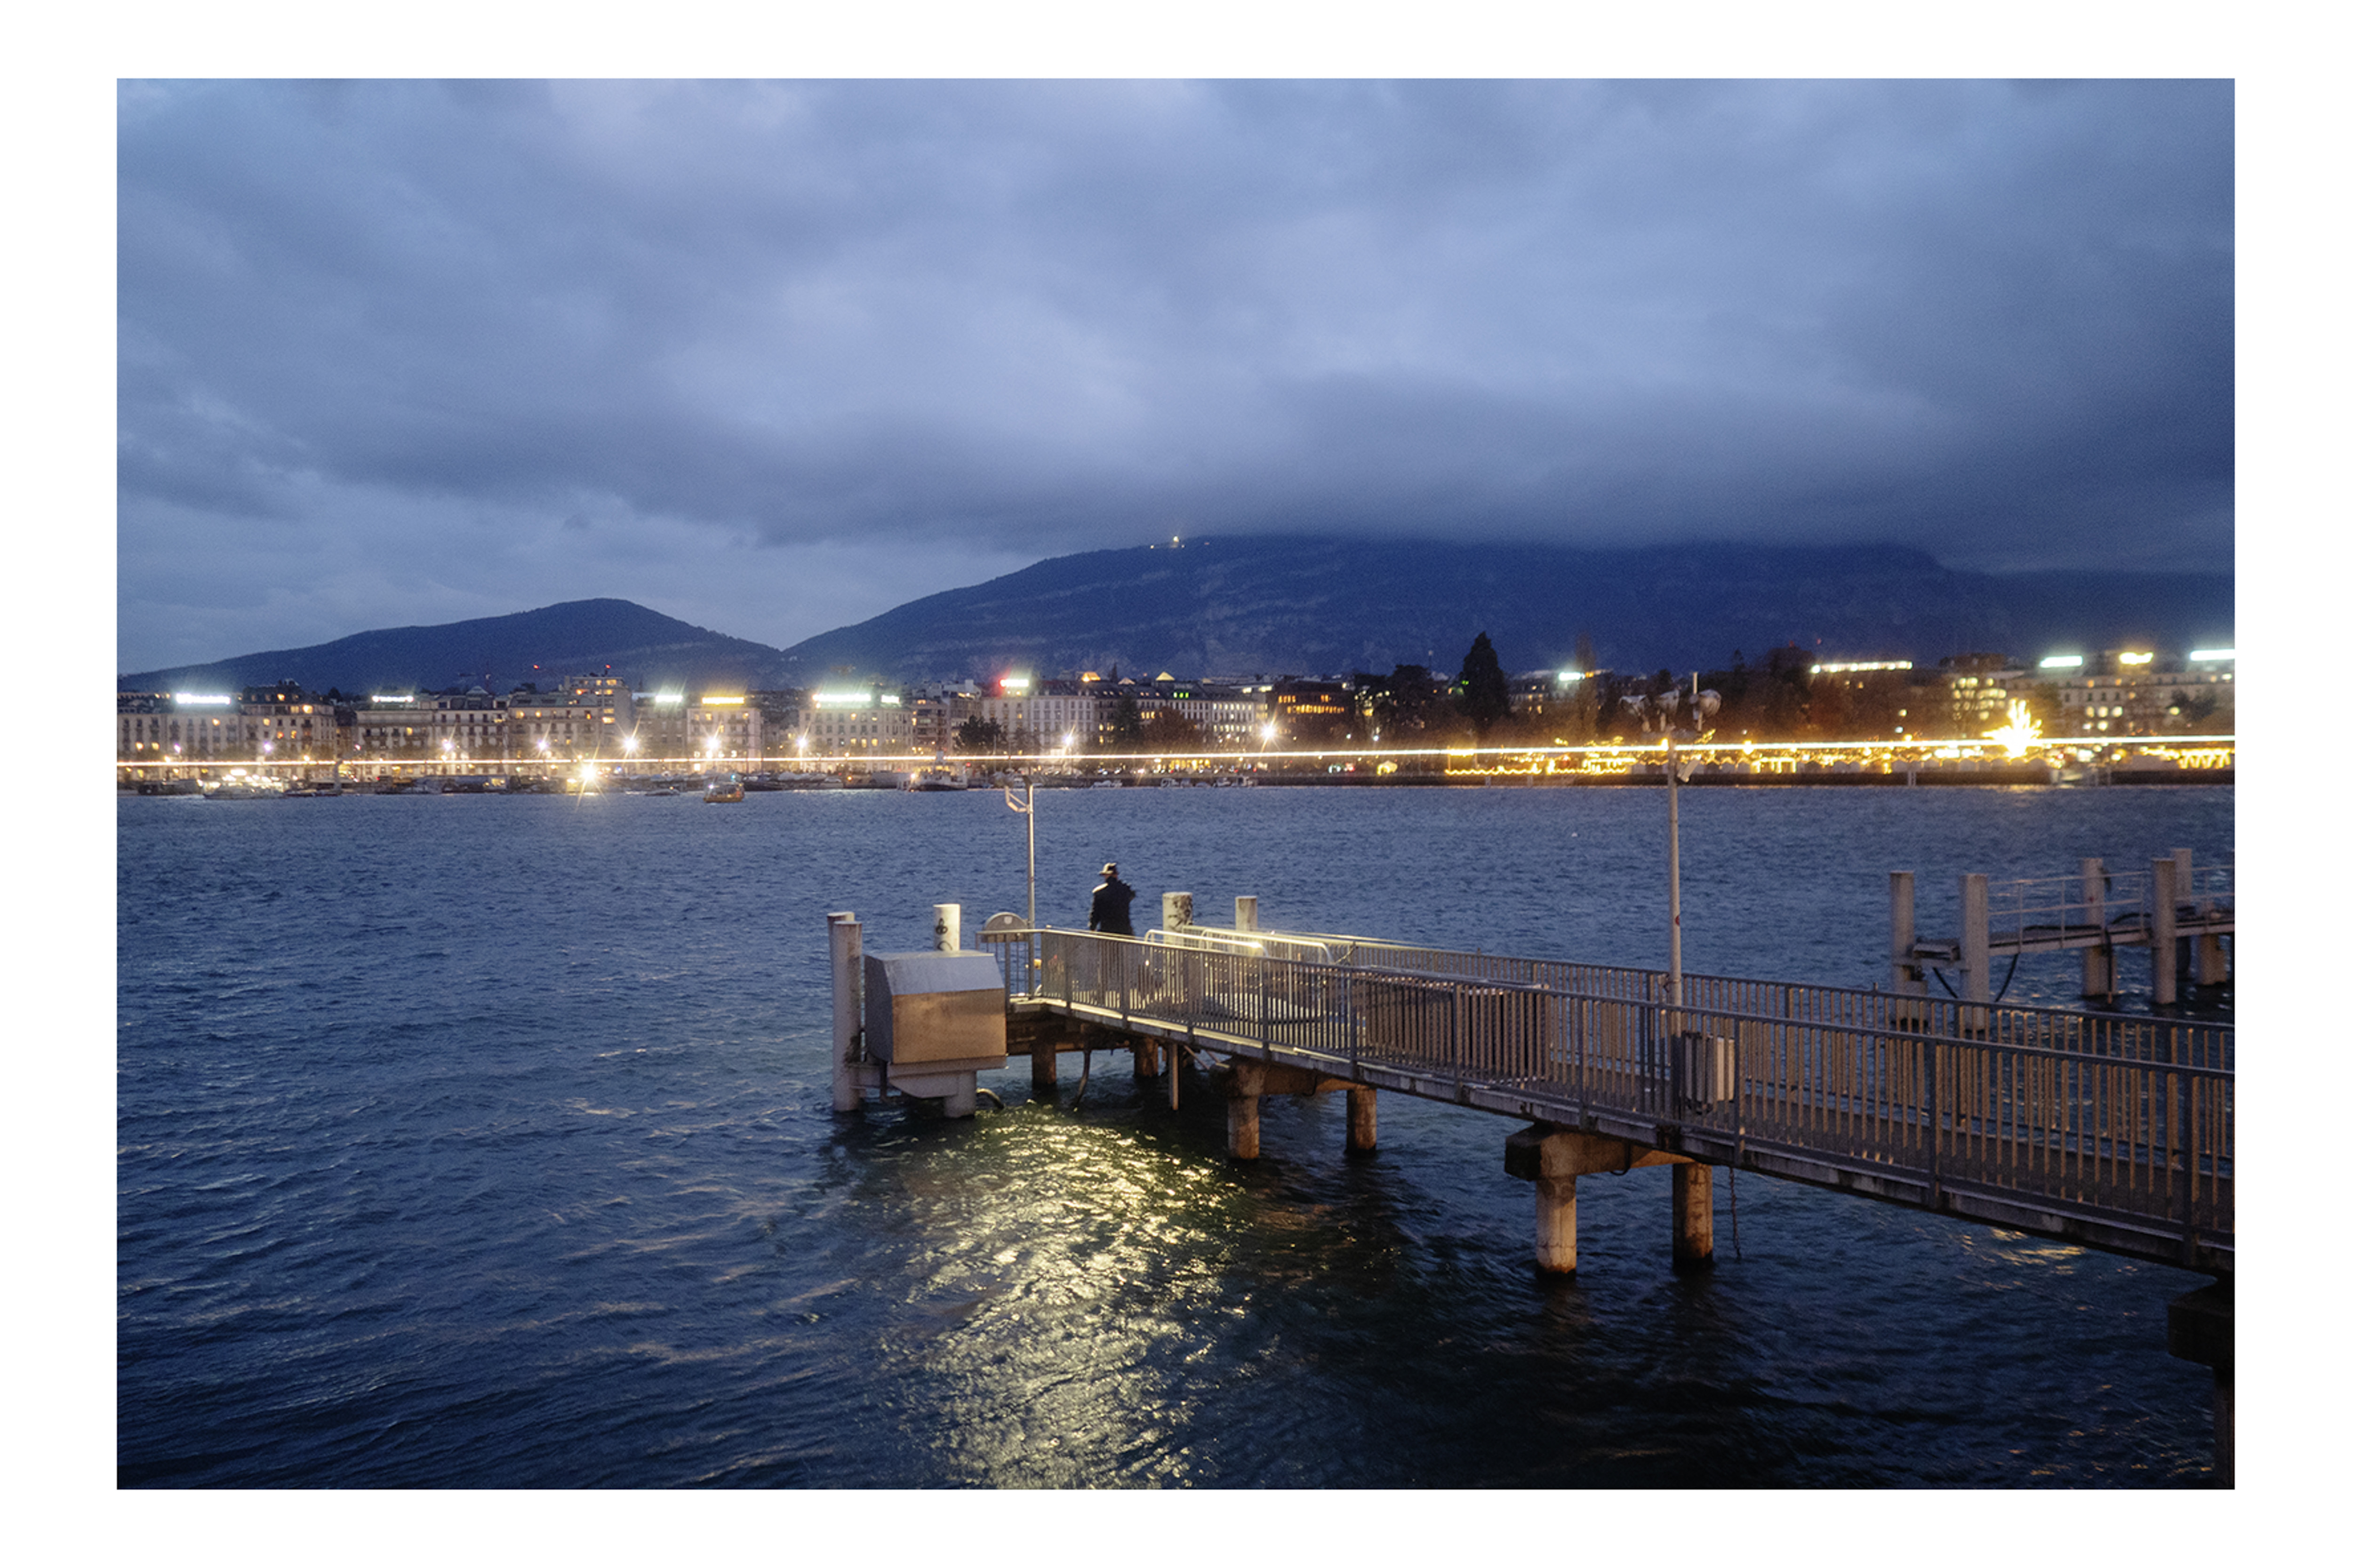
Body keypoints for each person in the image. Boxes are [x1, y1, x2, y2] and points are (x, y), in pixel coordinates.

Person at [1089, 862, 1136, 935]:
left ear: (1106, 875)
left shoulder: (1100, 893)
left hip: (1107, 933)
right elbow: (1132, 896)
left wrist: (1092, 927)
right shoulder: (1126, 890)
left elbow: (1095, 915)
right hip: (1125, 933)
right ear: (1116, 875)